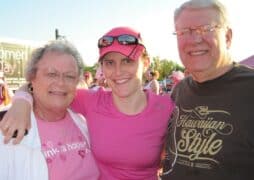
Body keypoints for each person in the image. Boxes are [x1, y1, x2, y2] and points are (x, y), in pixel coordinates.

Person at [0, 27, 175, 180]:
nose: (118, 71)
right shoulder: (91, 101)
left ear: (145, 63)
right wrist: (21, 101)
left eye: (128, 61)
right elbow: (43, 89)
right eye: (109, 63)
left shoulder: (167, 107)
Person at [160, 0, 254, 179]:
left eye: (206, 28)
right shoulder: (178, 92)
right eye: (184, 32)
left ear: (227, 36)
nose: (195, 39)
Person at [0, 40, 99, 180]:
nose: (60, 82)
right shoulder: (6, 123)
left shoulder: (84, 121)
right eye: (51, 74)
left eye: (69, 76)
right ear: (32, 78)